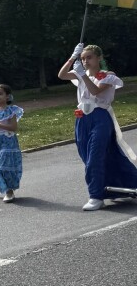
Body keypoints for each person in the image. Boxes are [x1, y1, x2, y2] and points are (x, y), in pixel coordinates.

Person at [57, 44, 137, 210]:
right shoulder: (80, 74)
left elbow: (95, 91)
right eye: (83, 58)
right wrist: (73, 57)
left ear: (99, 58)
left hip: (100, 118)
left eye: (89, 57)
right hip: (82, 119)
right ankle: (120, 186)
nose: (85, 61)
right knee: (88, 157)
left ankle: (96, 196)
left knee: (95, 157)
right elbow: (61, 75)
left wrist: (82, 75)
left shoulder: (107, 75)